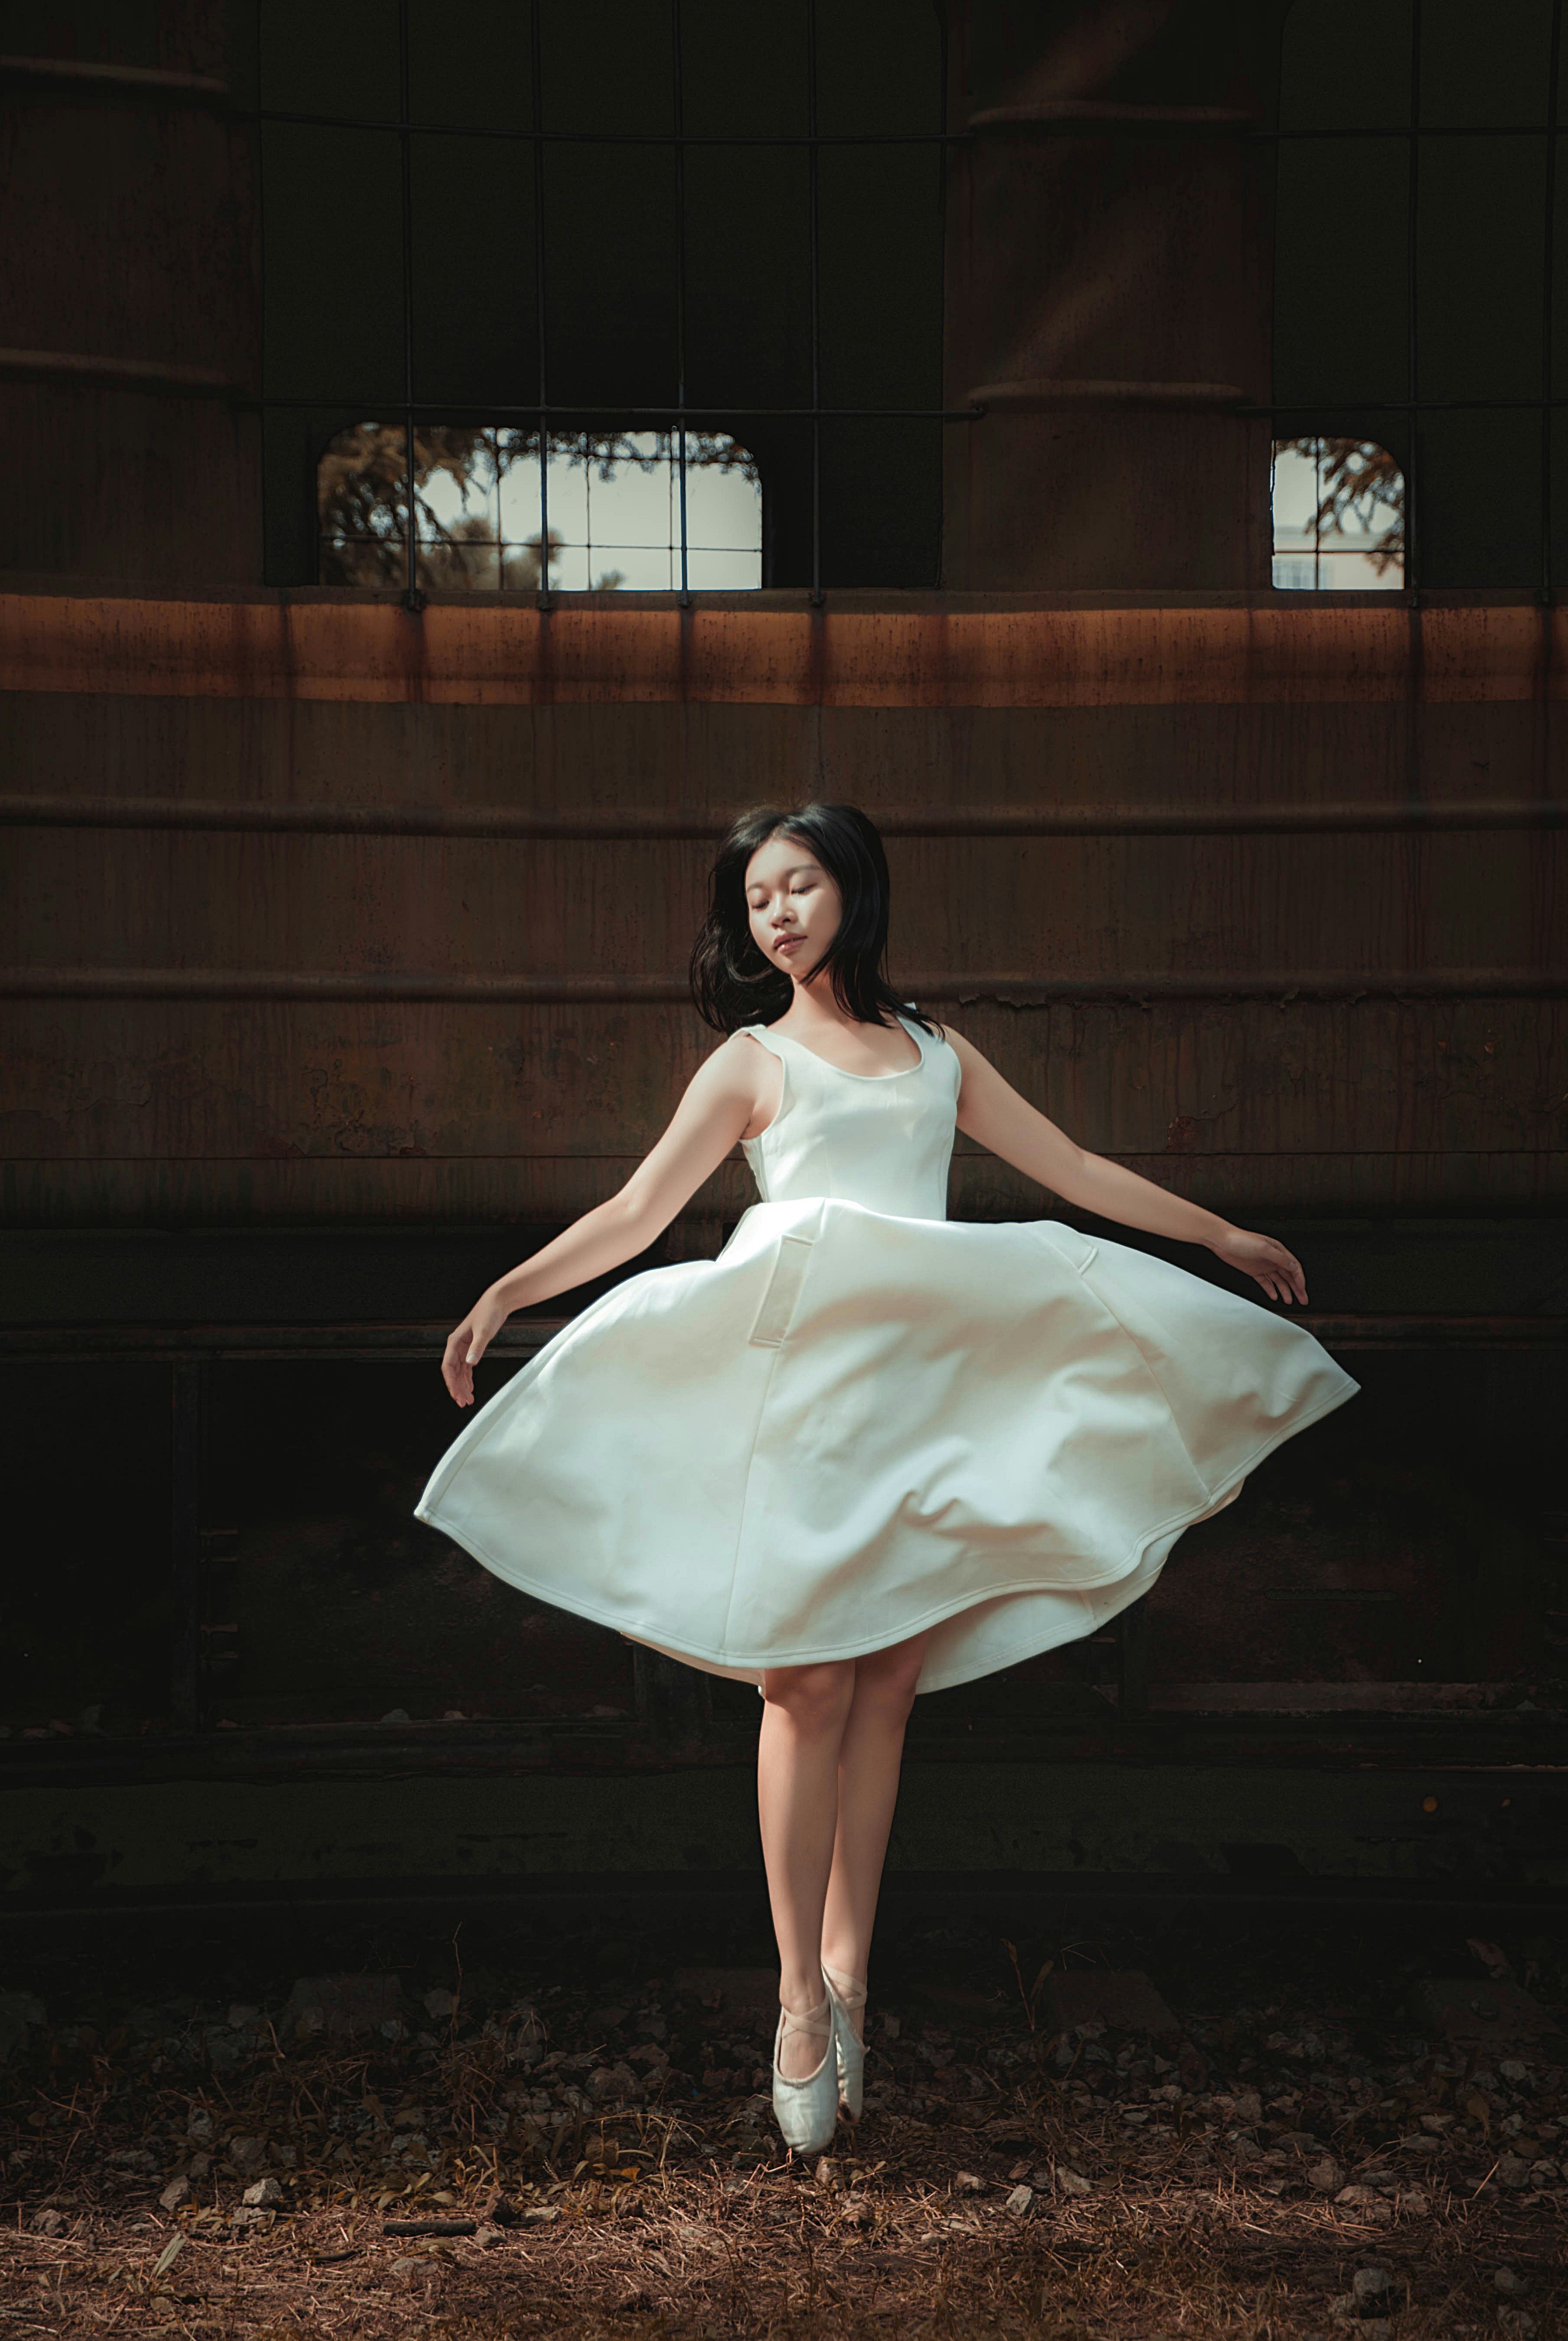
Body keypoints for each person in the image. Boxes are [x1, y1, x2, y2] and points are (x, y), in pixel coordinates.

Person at [417, 803, 1357, 2152]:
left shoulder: (936, 1054)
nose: (778, 914)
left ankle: (853, 1975)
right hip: (805, 1416)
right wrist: (508, 1291)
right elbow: (636, 1214)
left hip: (926, 1406)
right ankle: (798, 1995)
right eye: (756, 901)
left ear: (852, 890)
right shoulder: (750, 1063)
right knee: (803, 1682)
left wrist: (1218, 1231)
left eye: (797, 885)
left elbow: (1074, 1169)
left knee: (889, 1684)